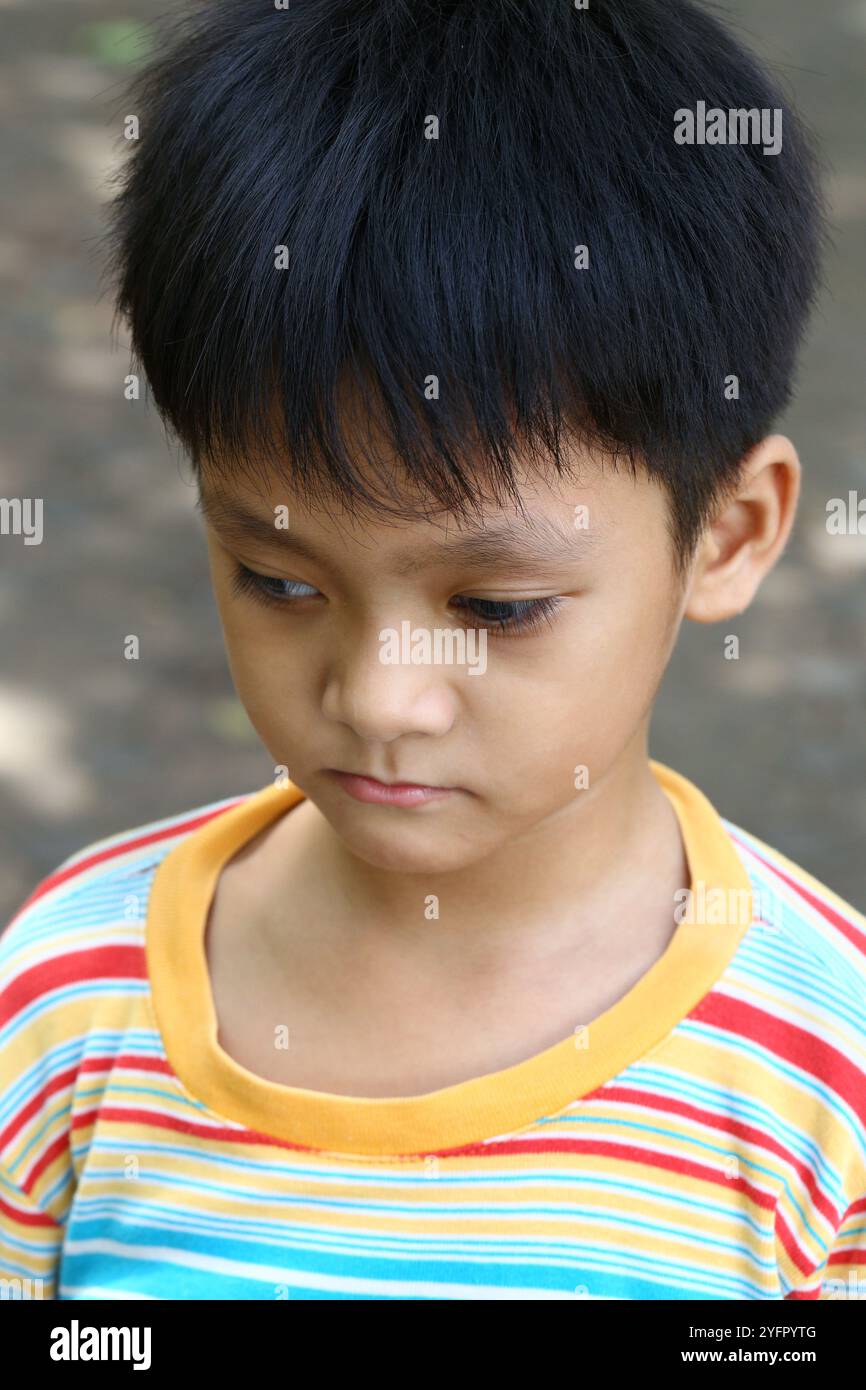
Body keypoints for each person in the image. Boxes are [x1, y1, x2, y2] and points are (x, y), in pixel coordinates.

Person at [2, 0, 863, 1301]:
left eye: (497, 605)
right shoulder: (66, 1004)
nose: (376, 697)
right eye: (279, 578)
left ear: (727, 537)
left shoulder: (824, 1078)